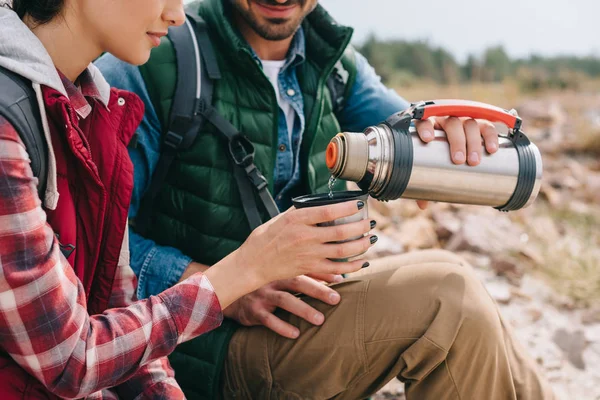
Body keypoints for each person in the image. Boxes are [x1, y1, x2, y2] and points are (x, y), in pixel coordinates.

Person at [97, 0, 555, 398]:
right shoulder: (155, 57)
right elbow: (90, 247)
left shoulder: (333, 63)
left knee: (481, 321)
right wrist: (222, 286)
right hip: (200, 351)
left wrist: (458, 138)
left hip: (304, 318)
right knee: (447, 297)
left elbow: (412, 131)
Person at [0, 0, 376, 398]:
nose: (176, 14)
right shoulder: (9, 127)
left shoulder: (93, 107)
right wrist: (245, 269)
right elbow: (73, 360)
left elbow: (113, 307)